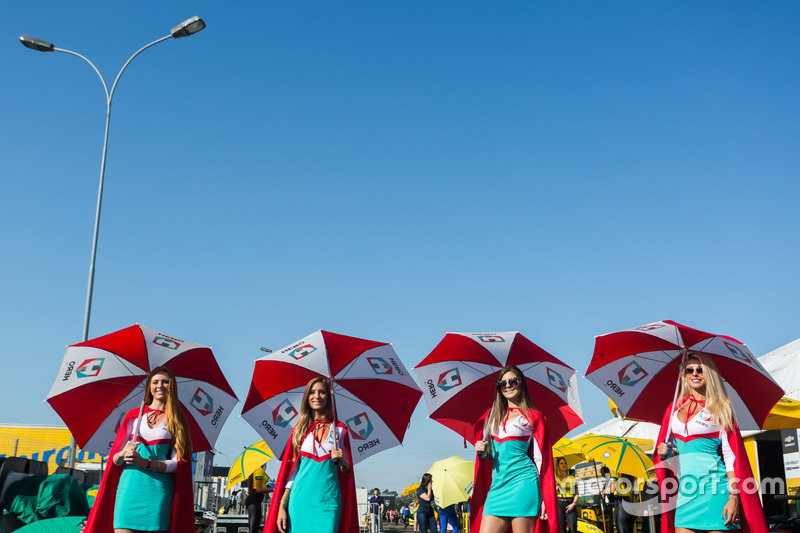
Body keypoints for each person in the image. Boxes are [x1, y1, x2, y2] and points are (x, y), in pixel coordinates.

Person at [655, 353, 768, 533]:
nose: (695, 373)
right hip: (686, 493)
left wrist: (733, 497)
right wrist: (664, 451)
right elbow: (672, 453)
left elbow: (732, 455)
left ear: (709, 374)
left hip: (716, 491)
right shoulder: (674, 408)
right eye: (689, 370)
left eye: (700, 370)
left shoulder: (720, 407)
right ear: (684, 374)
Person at [84, 366, 194, 533]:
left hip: (158, 492)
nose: (160, 386)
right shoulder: (133, 415)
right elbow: (115, 460)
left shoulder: (178, 420)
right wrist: (122, 453)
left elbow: (178, 463)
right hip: (129, 488)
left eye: (165, 382)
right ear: (149, 386)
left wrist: (147, 463)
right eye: (155, 382)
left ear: (172, 386)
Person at [264, 377, 358, 533]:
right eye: (312, 392)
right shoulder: (298, 431)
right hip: (300, 501)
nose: (317, 396)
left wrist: (341, 461)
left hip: (329, 502)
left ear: (329, 396)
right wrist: (282, 506)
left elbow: (347, 472)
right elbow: (293, 473)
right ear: (307, 398)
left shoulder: (340, 430)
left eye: (322, 392)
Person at [471, 365, 558, 533]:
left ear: (521, 383)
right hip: (497, 489)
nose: (508, 386)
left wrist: (546, 498)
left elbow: (542, 460)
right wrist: (482, 450)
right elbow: (488, 457)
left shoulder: (534, 416)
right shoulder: (490, 417)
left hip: (523, 484)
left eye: (512, 381)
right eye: (502, 383)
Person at [555, 457, 578, 533]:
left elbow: (577, 494)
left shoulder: (571, 478)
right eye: (561, 463)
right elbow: (551, 495)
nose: (564, 465)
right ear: (558, 465)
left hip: (570, 503)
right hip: (559, 504)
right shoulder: (555, 479)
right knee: (561, 529)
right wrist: (556, 488)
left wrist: (573, 504)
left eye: (565, 463)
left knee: (572, 528)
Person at [246, 468, 273, 533]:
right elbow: (259, 489)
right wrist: (273, 489)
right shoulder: (258, 470)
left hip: (256, 500)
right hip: (254, 499)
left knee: (255, 525)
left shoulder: (257, 470)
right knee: (254, 527)